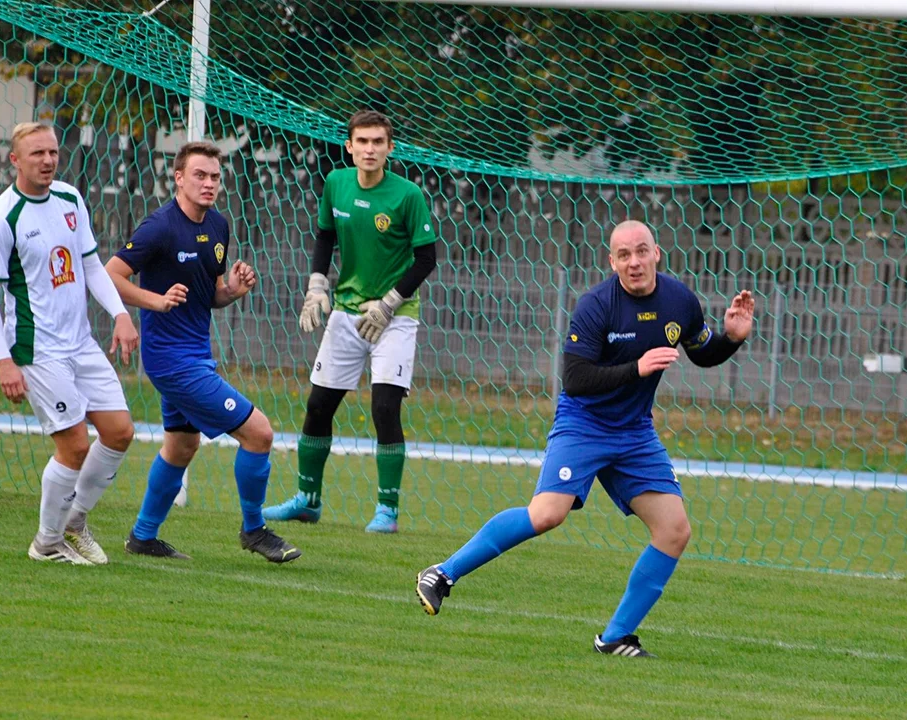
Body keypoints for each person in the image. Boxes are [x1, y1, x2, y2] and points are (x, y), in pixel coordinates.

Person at [415, 220, 755, 657]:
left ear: (657, 253)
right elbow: (575, 379)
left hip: (634, 432)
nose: (634, 262)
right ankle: (442, 573)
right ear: (611, 262)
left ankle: (615, 637)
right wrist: (637, 368)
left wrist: (732, 338)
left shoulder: (680, 300)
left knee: (674, 530)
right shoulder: (595, 306)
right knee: (546, 514)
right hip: (585, 424)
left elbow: (702, 351)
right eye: (624, 255)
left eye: (641, 251)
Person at [105, 140, 300, 564]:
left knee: (181, 446)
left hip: (195, 353)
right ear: (178, 178)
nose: (209, 183)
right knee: (260, 433)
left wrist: (233, 289)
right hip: (170, 360)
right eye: (199, 175)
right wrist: (154, 301)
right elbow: (110, 275)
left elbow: (209, 294)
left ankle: (143, 536)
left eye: (215, 177)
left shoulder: (218, 226)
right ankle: (254, 530)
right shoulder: (158, 227)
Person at [263, 110, 438, 533]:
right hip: (345, 310)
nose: (370, 149)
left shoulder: (408, 195)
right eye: (363, 141)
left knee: (384, 407)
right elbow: (325, 235)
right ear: (349, 146)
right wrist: (317, 287)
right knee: (319, 404)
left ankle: (387, 512)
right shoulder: (336, 183)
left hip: (394, 316)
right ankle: (307, 500)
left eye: (379, 142)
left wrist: (390, 303)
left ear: (390, 148)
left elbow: (427, 258)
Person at [0, 122, 139, 566]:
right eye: (36, 154)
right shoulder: (1, 219)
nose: (47, 160)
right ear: (15, 160)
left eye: (52, 152)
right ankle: (46, 542)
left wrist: (121, 315)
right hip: (36, 350)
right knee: (74, 445)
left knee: (120, 431)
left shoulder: (70, 198)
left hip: (80, 343)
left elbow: (90, 266)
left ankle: (75, 523)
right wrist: (3, 361)